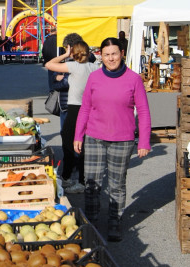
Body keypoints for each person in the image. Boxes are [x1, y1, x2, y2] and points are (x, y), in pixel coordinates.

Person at [74, 36, 151, 242]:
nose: (111, 58)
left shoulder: (134, 79)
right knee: (92, 184)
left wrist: (144, 141)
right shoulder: (94, 78)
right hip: (94, 137)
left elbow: (143, 111)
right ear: (101, 56)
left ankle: (115, 222)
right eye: (106, 54)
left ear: (122, 54)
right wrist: (78, 134)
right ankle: (91, 223)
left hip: (122, 139)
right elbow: (85, 107)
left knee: (116, 184)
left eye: (114, 54)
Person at [44, 38, 99, 194]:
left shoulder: (74, 66)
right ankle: (78, 178)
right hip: (90, 108)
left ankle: (71, 178)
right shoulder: (95, 67)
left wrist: (64, 55)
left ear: (73, 53)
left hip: (75, 109)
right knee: (84, 145)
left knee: (69, 143)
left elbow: (49, 64)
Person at [42, 33, 69, 129]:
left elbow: (43, 51)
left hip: (50, 62)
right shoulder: (59, 40)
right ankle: (55, 95)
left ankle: (52, 95)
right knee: (58, 82)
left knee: (52, 81)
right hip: (59, 63)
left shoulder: (47, 40)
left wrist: (46, 60)